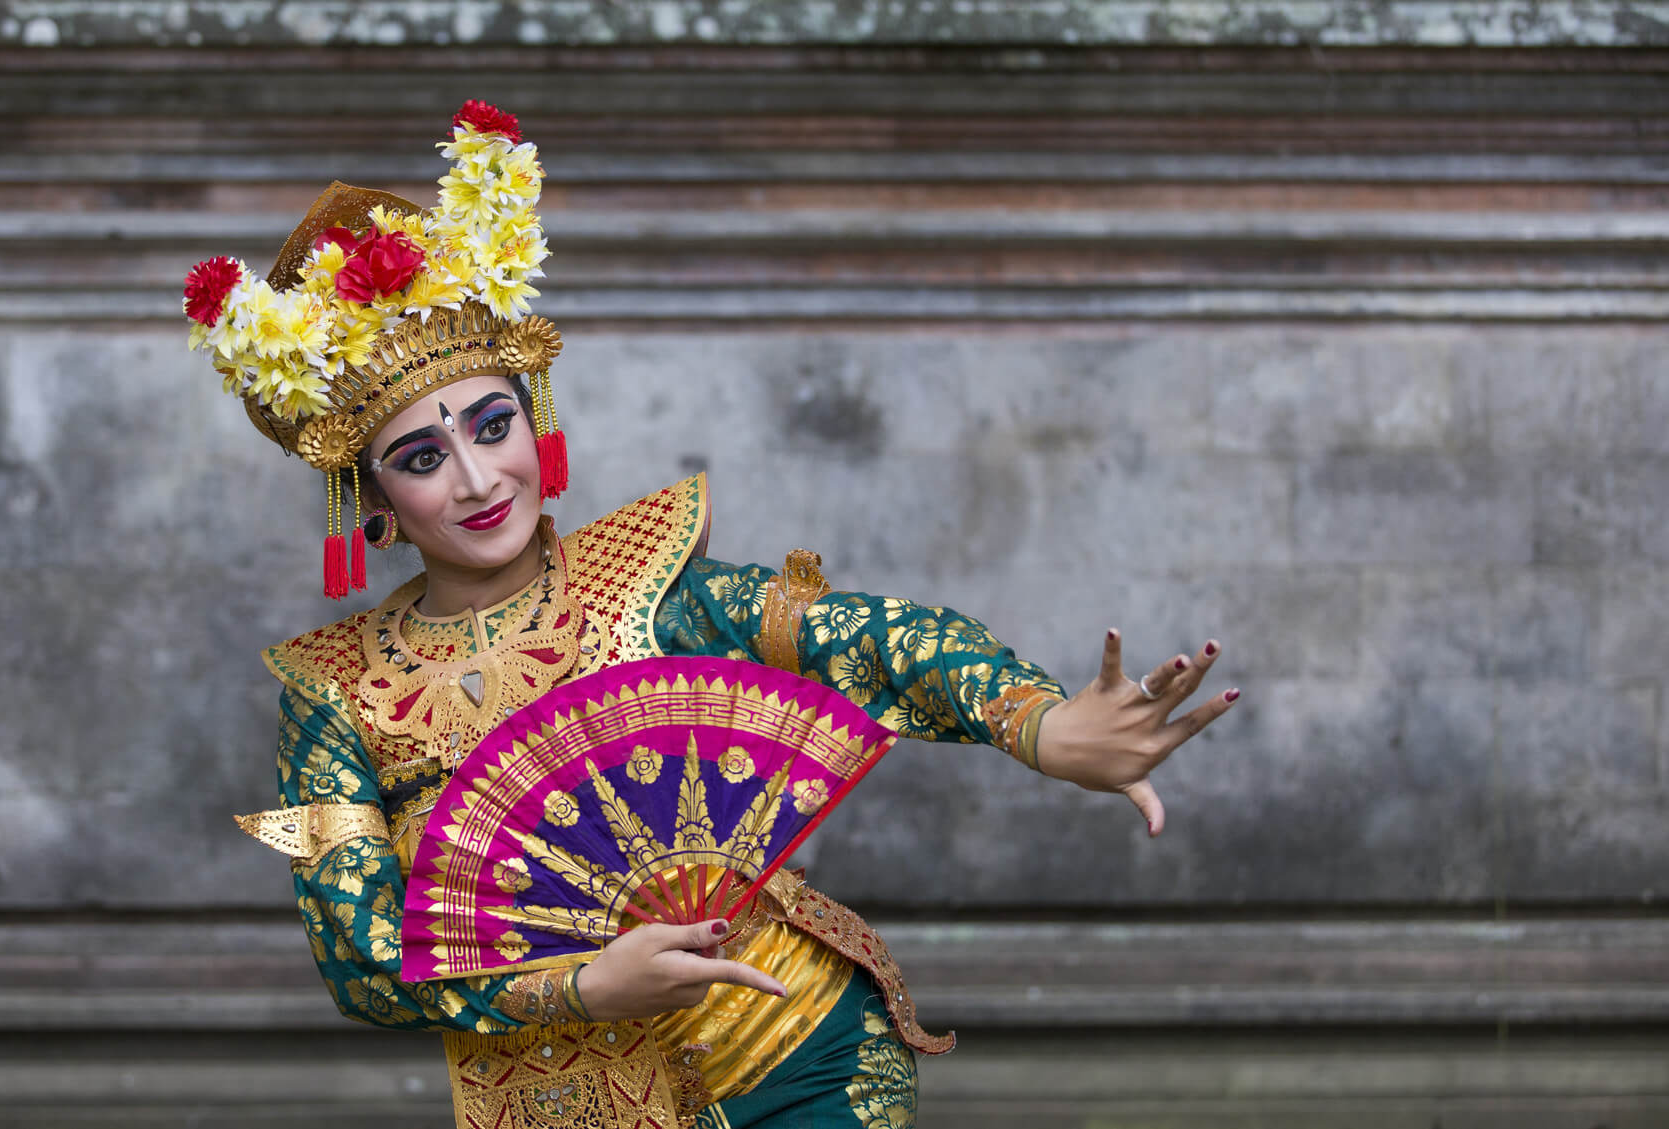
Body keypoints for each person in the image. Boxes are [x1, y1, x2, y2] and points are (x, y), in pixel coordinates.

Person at [200, 102, 1238, 1129]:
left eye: (492, 422)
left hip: (801, 1059)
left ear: (534, 420)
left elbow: (868, 641)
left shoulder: (654, 586)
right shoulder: (336, 695)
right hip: (565, 1105)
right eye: (423, 458)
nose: (477, 478)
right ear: (372, 501)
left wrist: (1039, 725)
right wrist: (583, 989)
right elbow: (363, 959)